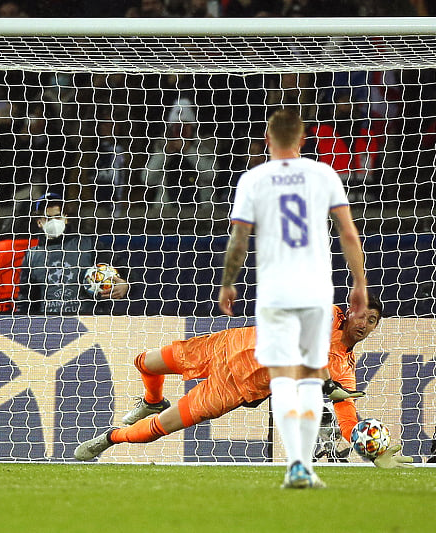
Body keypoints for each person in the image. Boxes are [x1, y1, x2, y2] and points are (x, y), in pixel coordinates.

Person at [74, 297, 414, 470]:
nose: (365, 323)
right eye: (362, 314)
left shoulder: (343, 367)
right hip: (226, 345)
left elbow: (347, 414)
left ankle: (109, 438)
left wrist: (371, 447)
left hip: (232, 390)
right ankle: (151, 398)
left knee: (154, 431)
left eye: (372, 321)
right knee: (144, 362)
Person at [218, 107, 368, 488]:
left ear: (268, 139)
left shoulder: (254, 179)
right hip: (317, 290)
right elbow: (349, 235)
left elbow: (238, 239)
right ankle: (303, 465)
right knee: (311, 376)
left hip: (276, 290)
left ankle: (296, 464)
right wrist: (359, 283)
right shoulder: (323, 175)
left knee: (283, 376)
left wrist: (228, 281)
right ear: (302, 138)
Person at [18, 192, 129, 315]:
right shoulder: (32, 256)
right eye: (48, 218)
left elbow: (126, 269)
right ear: (39, 222)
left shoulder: (89, 245)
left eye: (57, 216)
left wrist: (127, 286)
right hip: (49, 326)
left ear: (65, 218)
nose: (53, 222)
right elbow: (26, 301)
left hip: (89, 324)